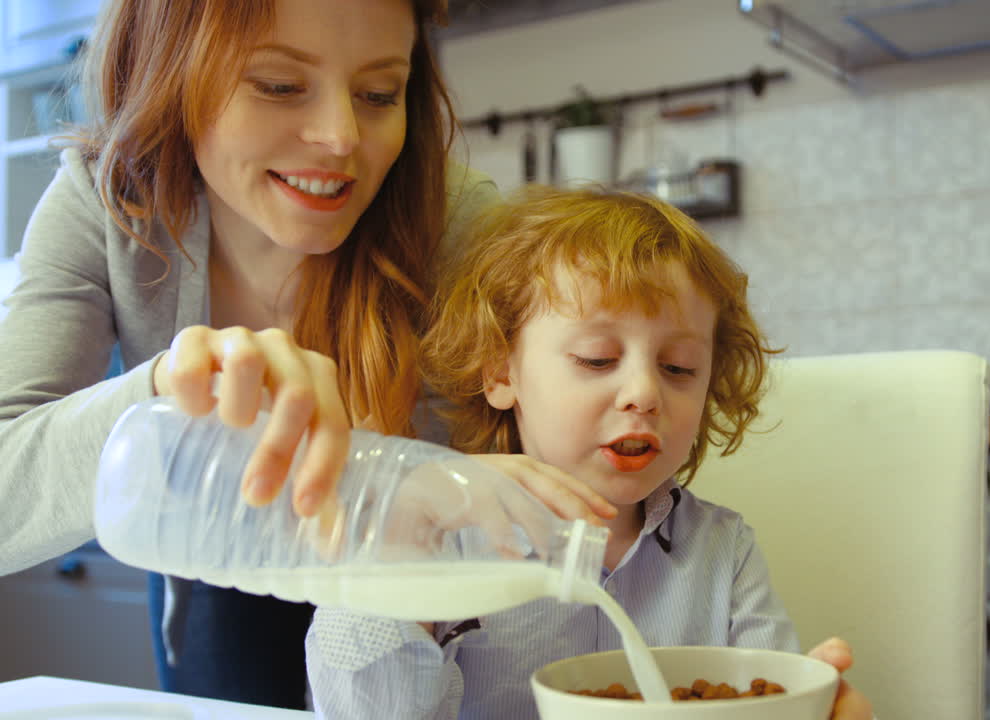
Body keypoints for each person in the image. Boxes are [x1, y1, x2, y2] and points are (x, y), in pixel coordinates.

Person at [0, 0, 612, 709]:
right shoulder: (107, 201)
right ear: (171, 73)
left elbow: (559, 468)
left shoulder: (456, 223)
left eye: (378, 94)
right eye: (280, 86)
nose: (340, 136)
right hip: (222, 578)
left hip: (425, 592)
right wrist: (171, 389)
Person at [305, 186, 875, 720]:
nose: (644, 393)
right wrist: (400, 538)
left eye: (679, 368)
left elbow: (766, 699)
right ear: (501, 371)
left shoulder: (725, 553)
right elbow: (363, 710)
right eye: (597, 359)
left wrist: (808, 704)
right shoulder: (444, 543)